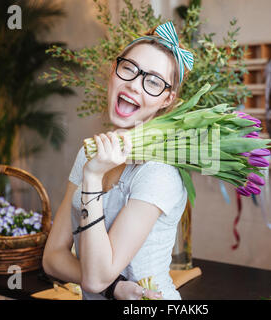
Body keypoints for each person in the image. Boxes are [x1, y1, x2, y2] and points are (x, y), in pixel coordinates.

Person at [42, 21, 193, 300]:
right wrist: (116, 287)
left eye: (153, 82)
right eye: (129, 69)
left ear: (166, 99)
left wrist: (91, 178)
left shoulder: (158, 172)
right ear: (114, 70)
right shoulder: (90, 153)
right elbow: (52, 257)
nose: (135, 84)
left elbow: (96, 277)